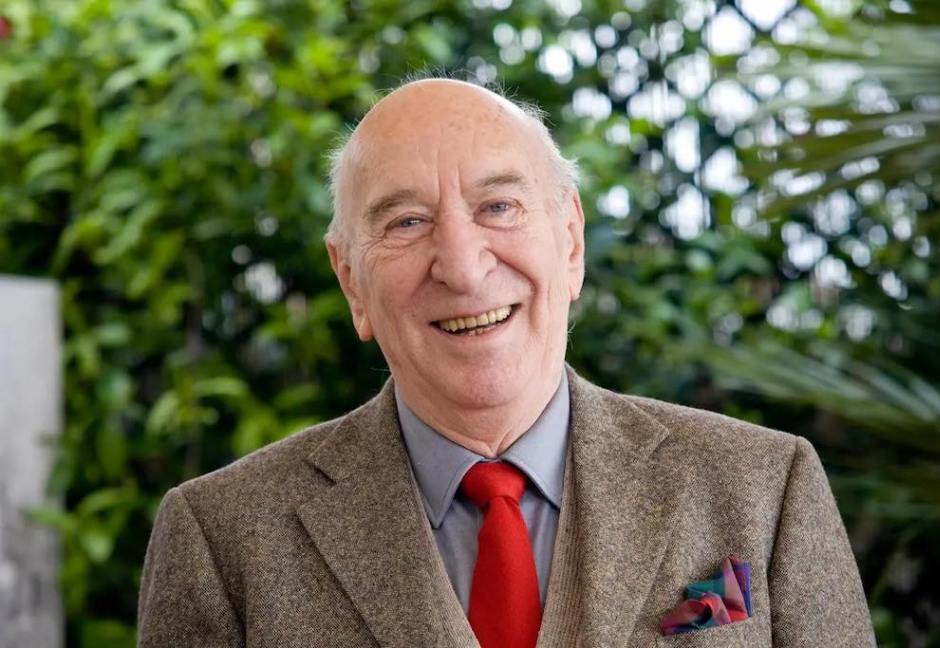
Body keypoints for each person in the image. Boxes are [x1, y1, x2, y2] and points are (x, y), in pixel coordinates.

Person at [137, 79, 875, 647]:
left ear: (571, 241)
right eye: (406, 222)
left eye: (498, 207)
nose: (462, 267)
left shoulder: (764, 489)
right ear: (351, 281)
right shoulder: (222, 538)